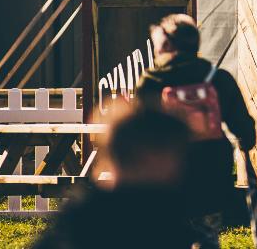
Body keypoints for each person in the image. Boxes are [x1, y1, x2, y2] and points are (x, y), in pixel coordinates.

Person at [132, 14, 257, 249]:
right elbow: (244, 128)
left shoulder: (151, 82)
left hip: (167, 173)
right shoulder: (217, 78)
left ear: (167, 44)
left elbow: (139, 130)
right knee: (207, 235)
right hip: (210, 171)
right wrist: (245, 143)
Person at [30, 107, 194, 249]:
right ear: (146, 158)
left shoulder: (81, 213)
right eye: (176, 156)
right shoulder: (158, 217)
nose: (180, 167)